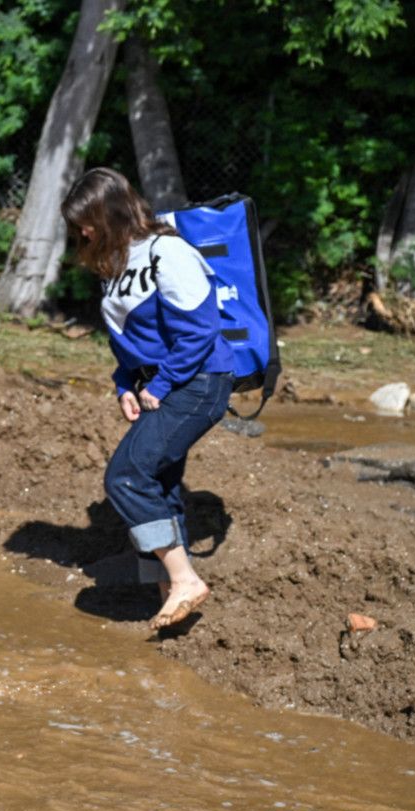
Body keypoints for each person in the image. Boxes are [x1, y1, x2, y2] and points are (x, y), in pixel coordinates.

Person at [61, 167, 234, 630]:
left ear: (111, 212)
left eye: (87, 222)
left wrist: (159, 385)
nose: (82, 233)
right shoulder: (116, 261)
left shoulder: (167, 251)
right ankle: (170, 599)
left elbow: (201, 330)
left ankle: (185, 580)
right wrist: (125, 384)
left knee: (127, 477)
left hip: (198, 381)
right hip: (163, 382)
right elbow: (129, 339)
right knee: (158, 482)